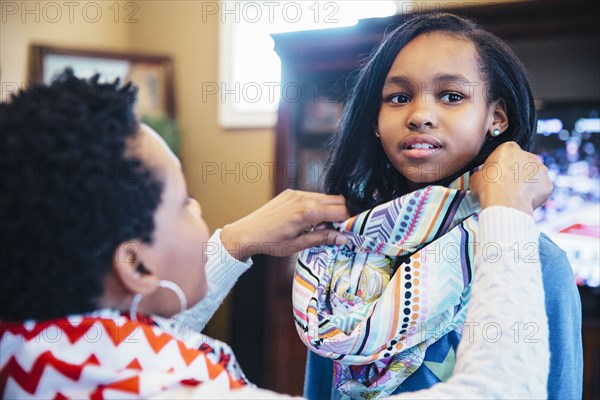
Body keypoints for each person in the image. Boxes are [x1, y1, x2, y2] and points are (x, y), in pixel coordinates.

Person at [0, 71, 550, 399]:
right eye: (185, 201)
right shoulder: (175, 386)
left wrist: (236, 242)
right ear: (138, 267)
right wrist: (507, 212)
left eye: (451, 96)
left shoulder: (30, 354)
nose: (203, 214)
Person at [294, 12, 582, 400]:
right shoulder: (341, 255)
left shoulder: (536, 260)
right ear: (375, 119)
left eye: (451, 96)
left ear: (495, 117)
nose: (420, 116)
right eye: (398, 97)